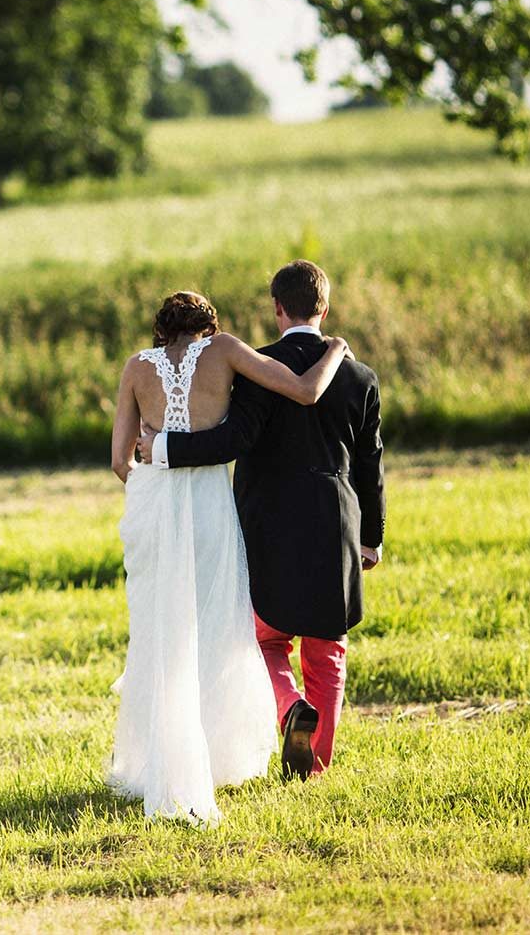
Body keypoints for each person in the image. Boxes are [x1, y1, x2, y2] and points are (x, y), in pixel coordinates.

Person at [106, 289, 352, 822]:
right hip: (212, 507)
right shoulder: (225, 351)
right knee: (217, 626)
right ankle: (214, 758)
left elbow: (120, 461)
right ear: (208, 327)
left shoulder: (135, 367)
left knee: (161, 633)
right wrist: (335, 347)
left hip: (156, 506)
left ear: (161, 330)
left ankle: (159, 761)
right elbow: (306, 392)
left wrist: (158, 477)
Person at [136, 260, 384, 779]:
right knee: (328, 649)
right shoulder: (359, 376)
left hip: (264, 523)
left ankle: (287, 704)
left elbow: (233, 441)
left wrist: (163, 447)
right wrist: (371, 538)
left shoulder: (256, 367)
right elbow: (369, 462)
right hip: (334, 524)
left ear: (276, 308)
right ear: (326, 308)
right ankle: (314, 766)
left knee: (264, 639)